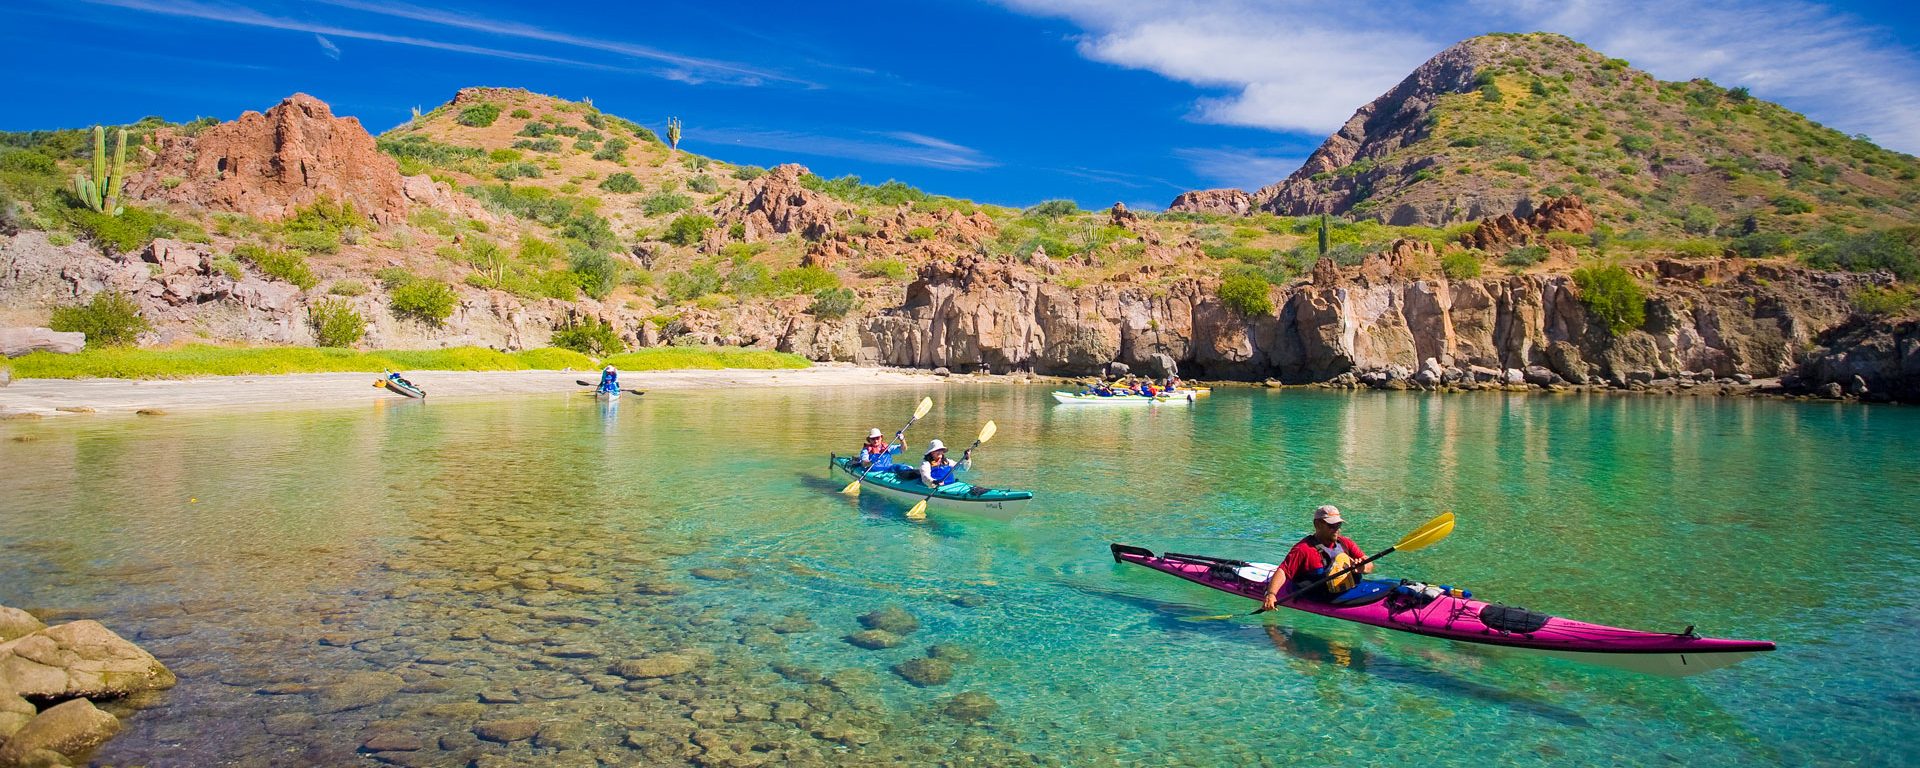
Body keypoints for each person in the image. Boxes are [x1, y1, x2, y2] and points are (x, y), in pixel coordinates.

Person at [1260, 505, 1374, 610]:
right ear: (1317, 524)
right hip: (1319, 595)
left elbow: (1369, 565)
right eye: (1331, 525)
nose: (1336, 529)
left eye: (1338, 525)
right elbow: (1283, 571)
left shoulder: (1346, 543)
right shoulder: (1303, 549)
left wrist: (1362, 568)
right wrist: (1271, 594)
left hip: (1348, 590)